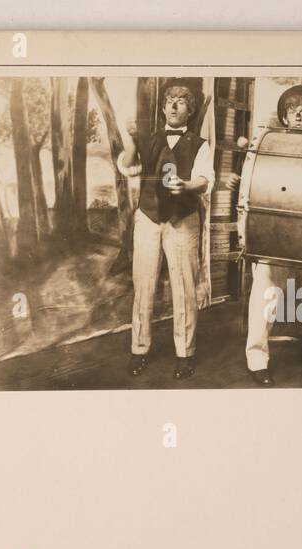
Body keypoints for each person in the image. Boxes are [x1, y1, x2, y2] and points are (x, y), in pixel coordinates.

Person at [232, 84, 302, 387]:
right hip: (273, 233)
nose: (298, 112)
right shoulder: (267, 144)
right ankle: (257, 360)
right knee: (264, 293)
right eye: (292, 107)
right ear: (283, 115)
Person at [117, 79, 214, 380]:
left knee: (184, 288)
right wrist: (131, 142)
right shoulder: (150, 139)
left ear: (189, 110)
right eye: (170, 100)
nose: (174, 105)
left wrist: (186, 186)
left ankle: (185, 354)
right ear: (163, 108)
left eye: (181, 101)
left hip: (182, 219)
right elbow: (127, 166)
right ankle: (139, 348)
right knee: (143, 283)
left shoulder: (200, 145)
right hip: (148, 217)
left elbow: (205, 179)